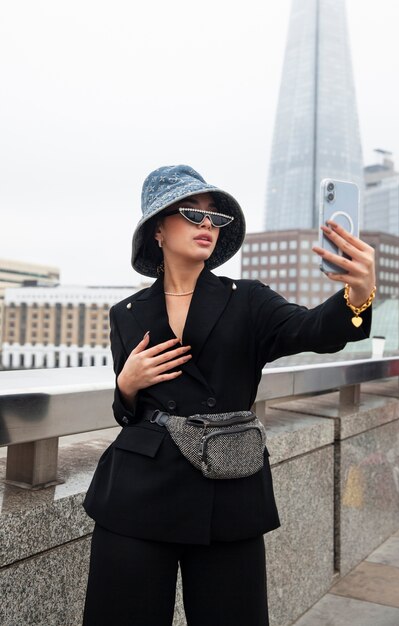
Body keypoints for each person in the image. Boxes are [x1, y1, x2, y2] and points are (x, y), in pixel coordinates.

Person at [82, 164, 375, 626]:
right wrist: (126, 384)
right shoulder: (127, 312)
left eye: (215, 218)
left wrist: (357, 295)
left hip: (227, 490)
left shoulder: (249, 300)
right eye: (192, 213)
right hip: (135, 494)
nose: (207, 225)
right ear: (158, 228)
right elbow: (128, 414)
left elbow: (313, 330)